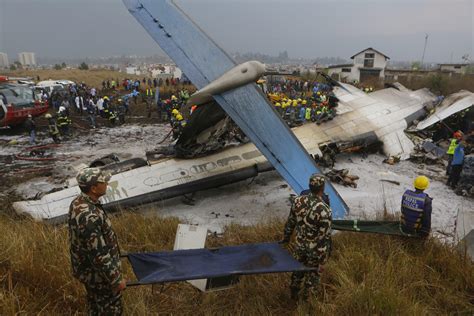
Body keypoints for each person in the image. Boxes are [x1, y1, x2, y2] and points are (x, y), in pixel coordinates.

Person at [68, 168, 126, 315]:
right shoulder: (90, 216)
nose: (106, 183)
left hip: (87, 272)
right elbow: (98, 254)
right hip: (99, 277)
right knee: (111, 310)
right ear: (93, 188)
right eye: (103, 181)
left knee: (95, 307)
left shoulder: (77, 202)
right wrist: (116, 279)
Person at [279, 174, 332, 301]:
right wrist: (323, 260)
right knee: (312, 278)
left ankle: (293, 297)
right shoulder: (325, 210)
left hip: (299, 246)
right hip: (315, 251)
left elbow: (290, 223)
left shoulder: (297, 201)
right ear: (322, 188)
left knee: (297, 273)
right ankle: (307, 304)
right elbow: (324, 237)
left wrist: (285, 239)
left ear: (309, 186)